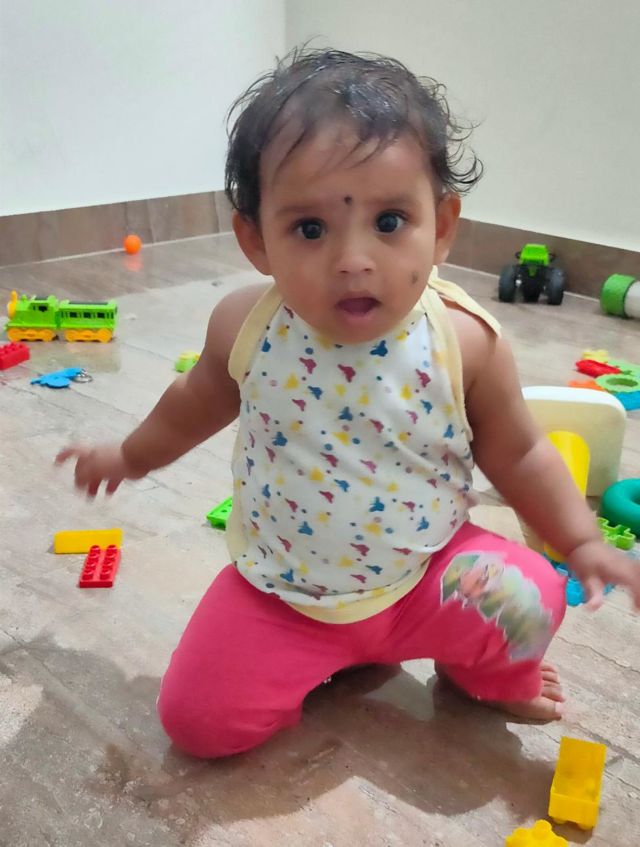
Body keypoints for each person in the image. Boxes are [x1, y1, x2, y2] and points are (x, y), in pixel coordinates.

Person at [56, 47, 640, 759]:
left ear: (441, 226)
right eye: (310, 229)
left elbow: (520, 452)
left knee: (533, 598)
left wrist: (580, 542)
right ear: (255, 241)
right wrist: (128, 456)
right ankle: (324, 659)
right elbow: (191, 403)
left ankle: (478, 672)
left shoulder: (464, 341)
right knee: (196, 723)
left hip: (429, 576)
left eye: (389, 222)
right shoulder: (247, 329)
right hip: (285, 597)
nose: (354, 260)